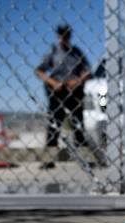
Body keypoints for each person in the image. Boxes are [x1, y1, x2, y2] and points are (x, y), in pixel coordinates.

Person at [36, 24, 91, 169]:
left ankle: (84, 159)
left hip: (75, 92)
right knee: (53, 126)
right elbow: (39, 70)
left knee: (78, 126)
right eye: (62, 35)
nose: (64, 38)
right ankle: (49, 159)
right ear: (58, 36)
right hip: (57, 94)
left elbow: (88, 71)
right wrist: (53, 82)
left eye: (67, 35)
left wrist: (77, 81)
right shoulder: (53, 52)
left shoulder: (76, 52)